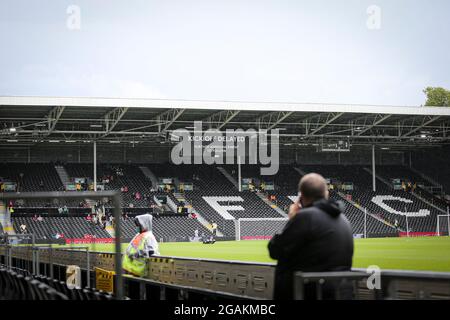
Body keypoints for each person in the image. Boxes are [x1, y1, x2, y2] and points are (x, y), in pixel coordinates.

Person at [268, 173, 354, 300]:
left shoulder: (305, 217)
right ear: (326, 194)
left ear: (301, 197)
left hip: (310, 292)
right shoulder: (343, 219)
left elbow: (275, 250)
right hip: (341, 292)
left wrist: (292, 219)